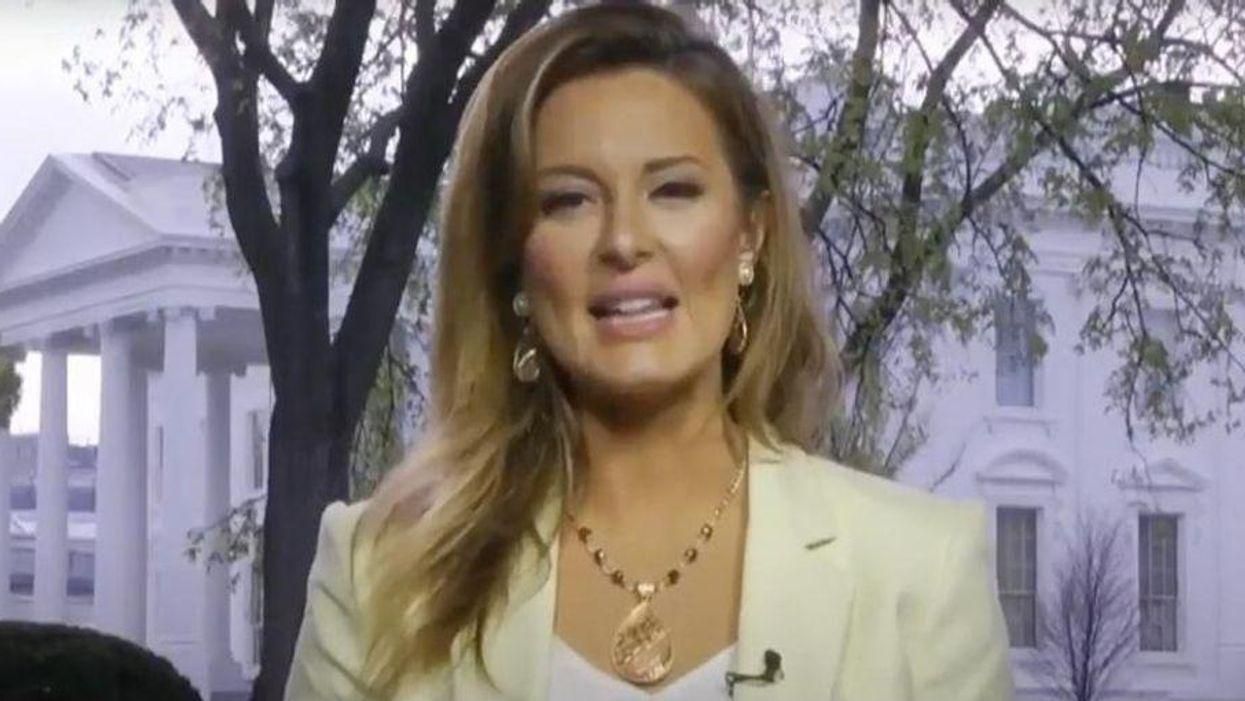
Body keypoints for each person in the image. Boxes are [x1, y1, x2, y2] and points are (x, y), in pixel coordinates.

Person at [285, 3, 1015, 700]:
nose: (624, 241)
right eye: (569, 200)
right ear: (511, 260)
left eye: (672, 190)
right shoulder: (376, 573)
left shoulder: (922, 572)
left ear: (750, 235)